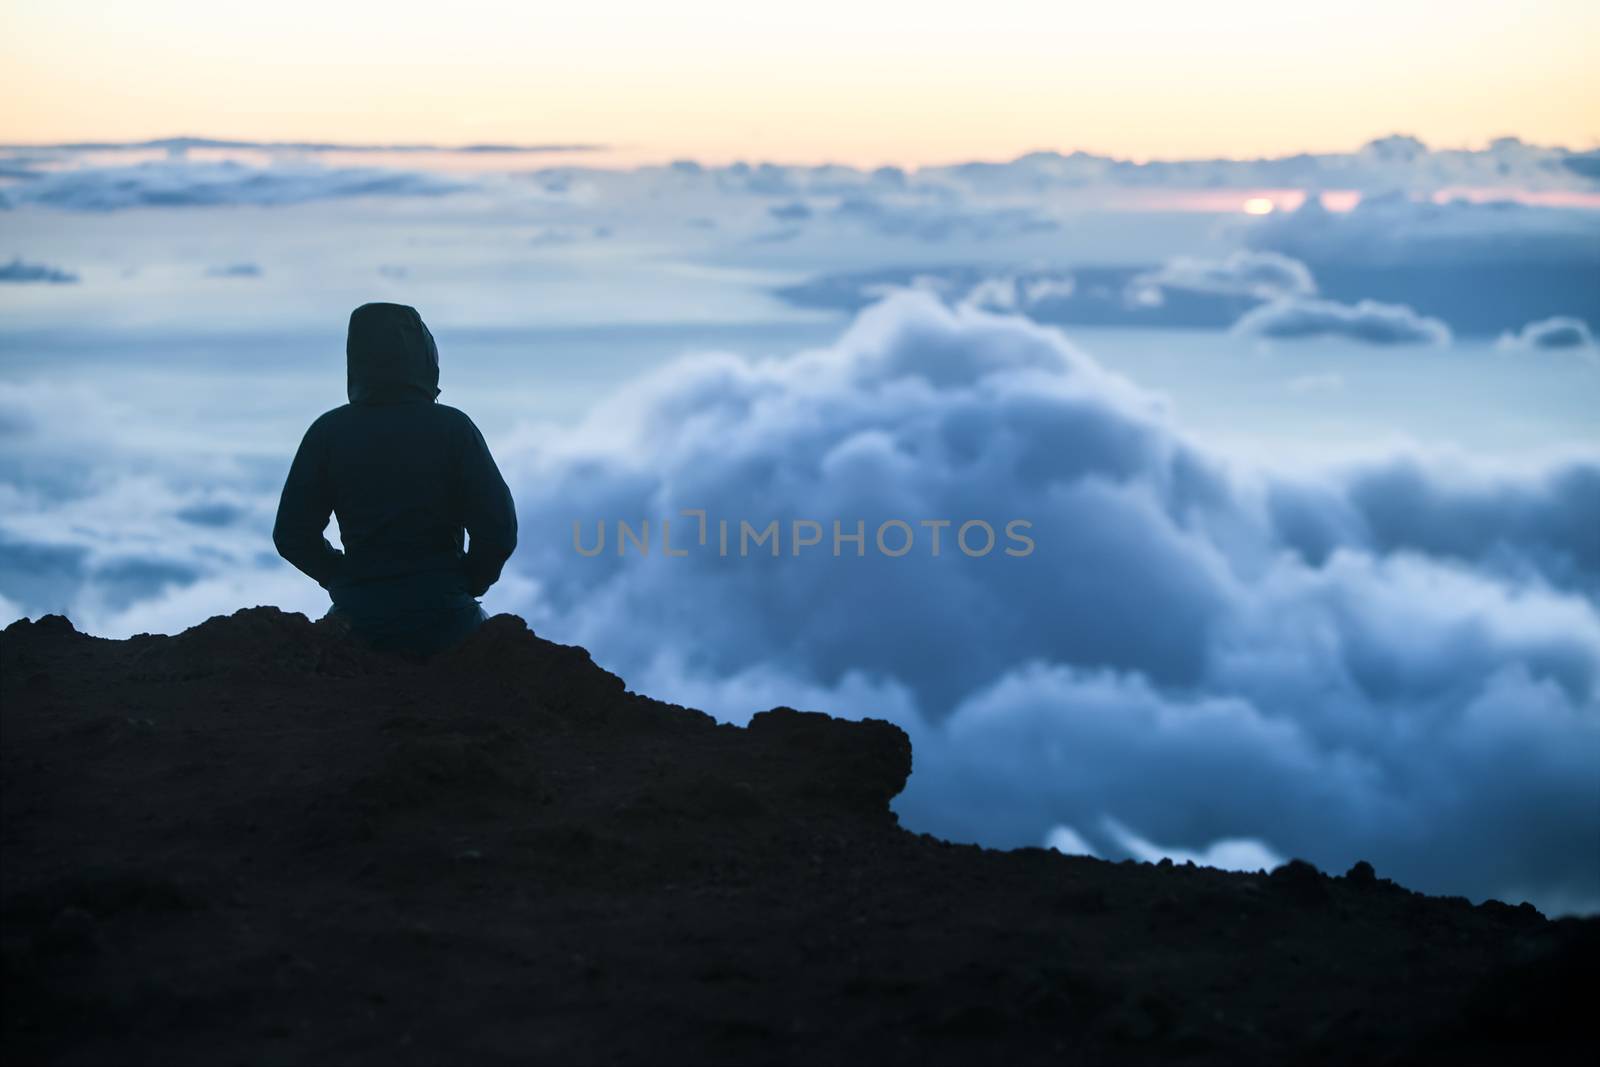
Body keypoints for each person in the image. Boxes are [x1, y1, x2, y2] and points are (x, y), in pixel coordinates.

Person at [273, 303, 517, 655]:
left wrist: (344, 579)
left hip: (359, 620)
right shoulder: (454, 429)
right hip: (448, 619)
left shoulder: (328, 432)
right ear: (425, 357)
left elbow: (291, 535)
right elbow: (499, 530)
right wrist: (464, 585)